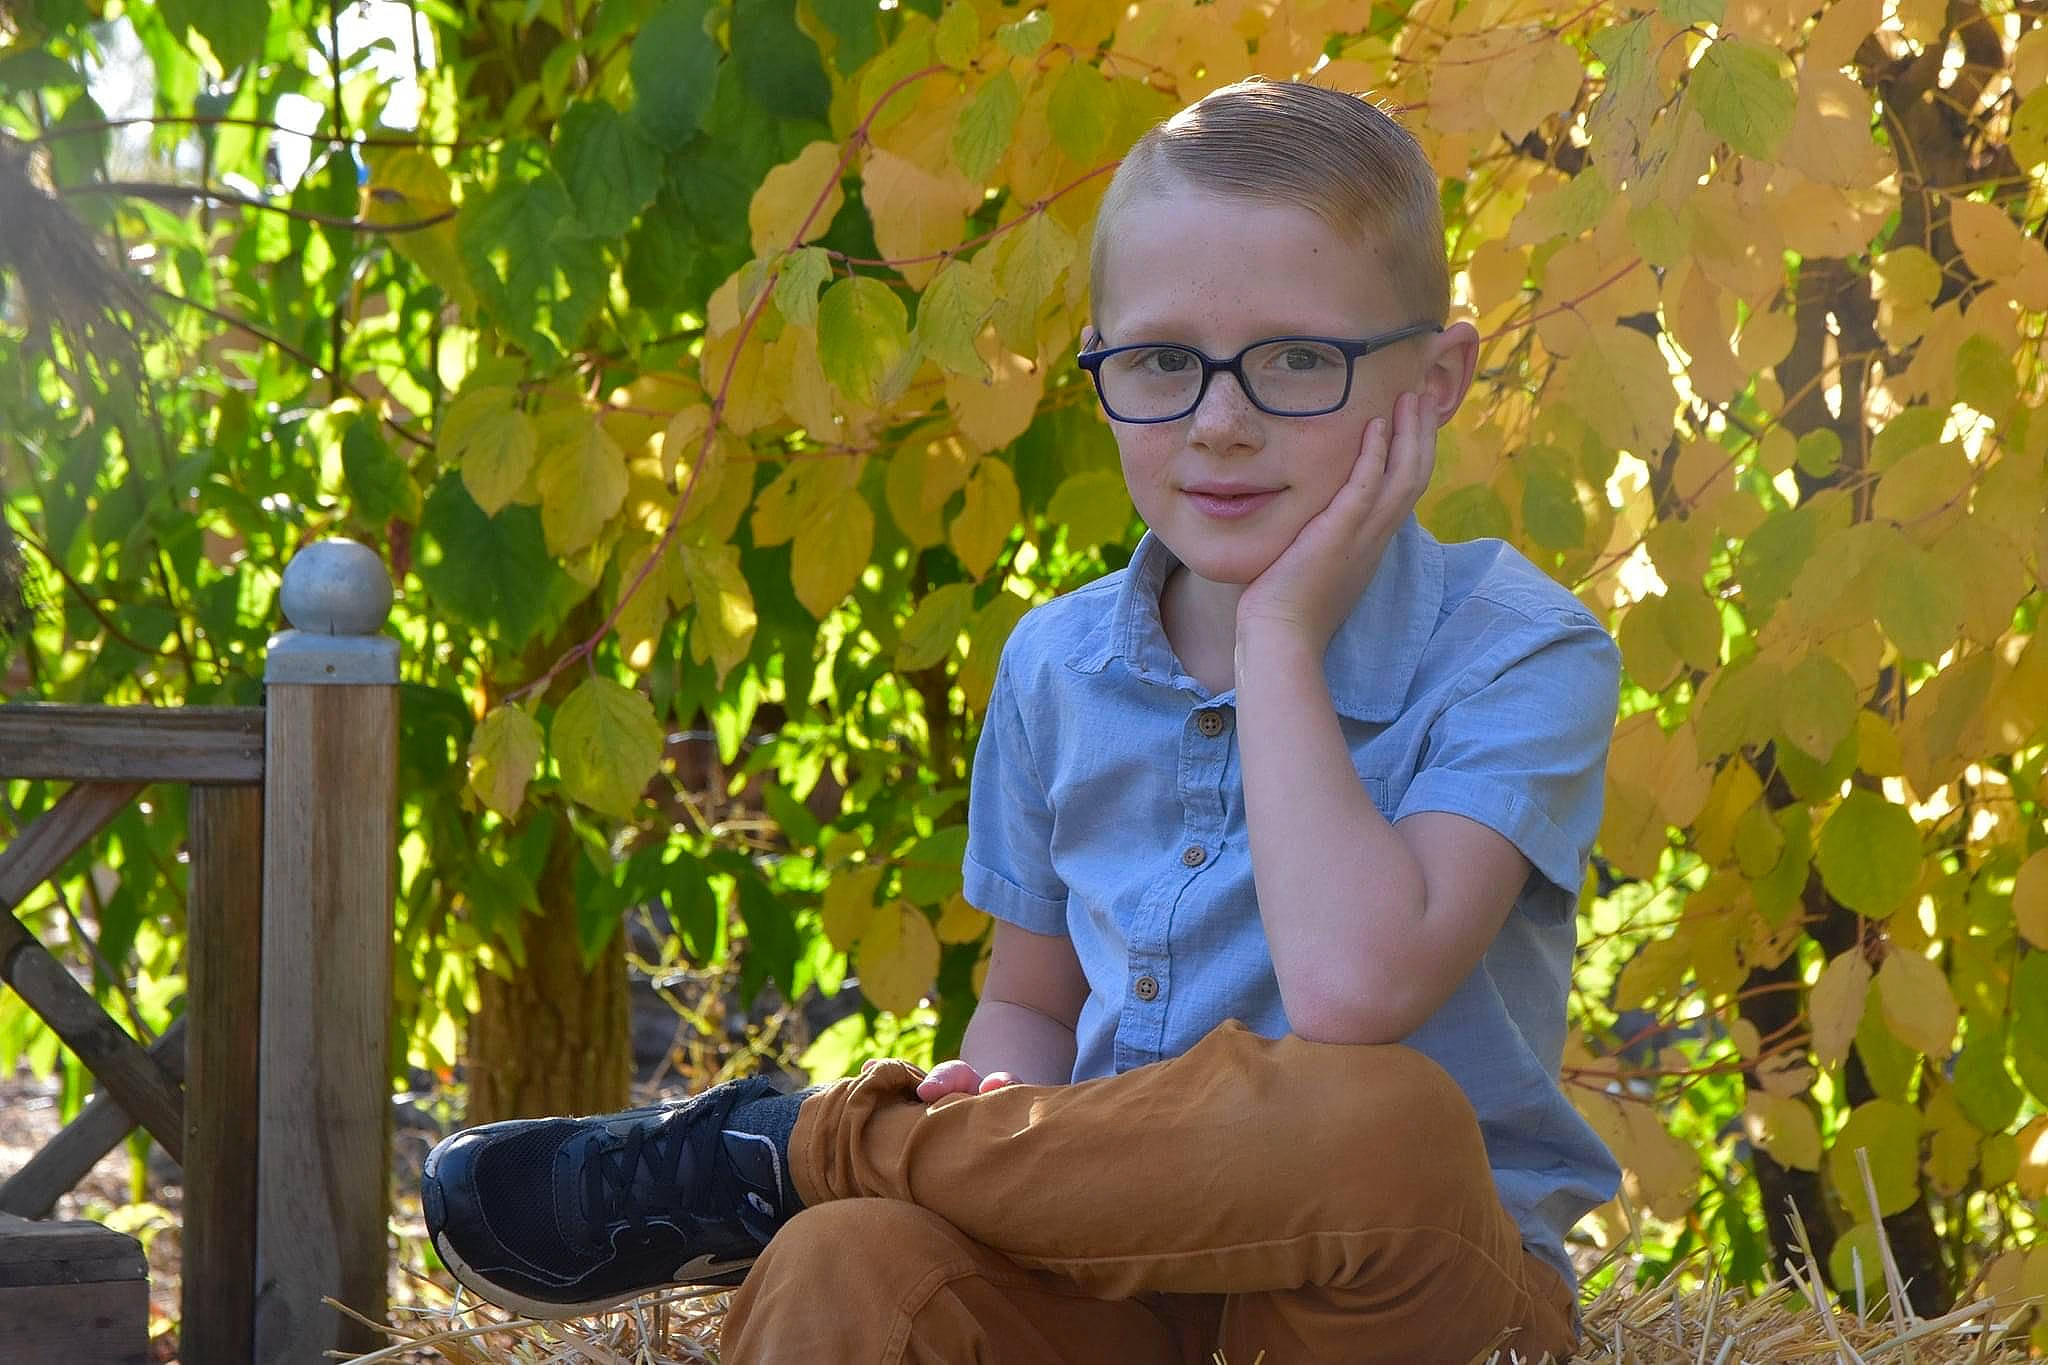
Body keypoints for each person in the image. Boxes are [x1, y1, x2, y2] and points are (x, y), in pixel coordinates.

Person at [422, 77, 1622, 1364]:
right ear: (1100, 370)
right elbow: (1033, 1011)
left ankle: (803, 1150)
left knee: (1385, 1117)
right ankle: (829, 1183)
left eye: (1295, 361)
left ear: (1433, 381)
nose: (1219, 422)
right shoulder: (1058, 663)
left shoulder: (1516, 645)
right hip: (1101, 1286)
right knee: (849, 1258)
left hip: (1394, 1297)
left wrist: (1278, 636)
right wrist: (993, 1103)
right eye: (1162, 360)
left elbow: (1351, 987)